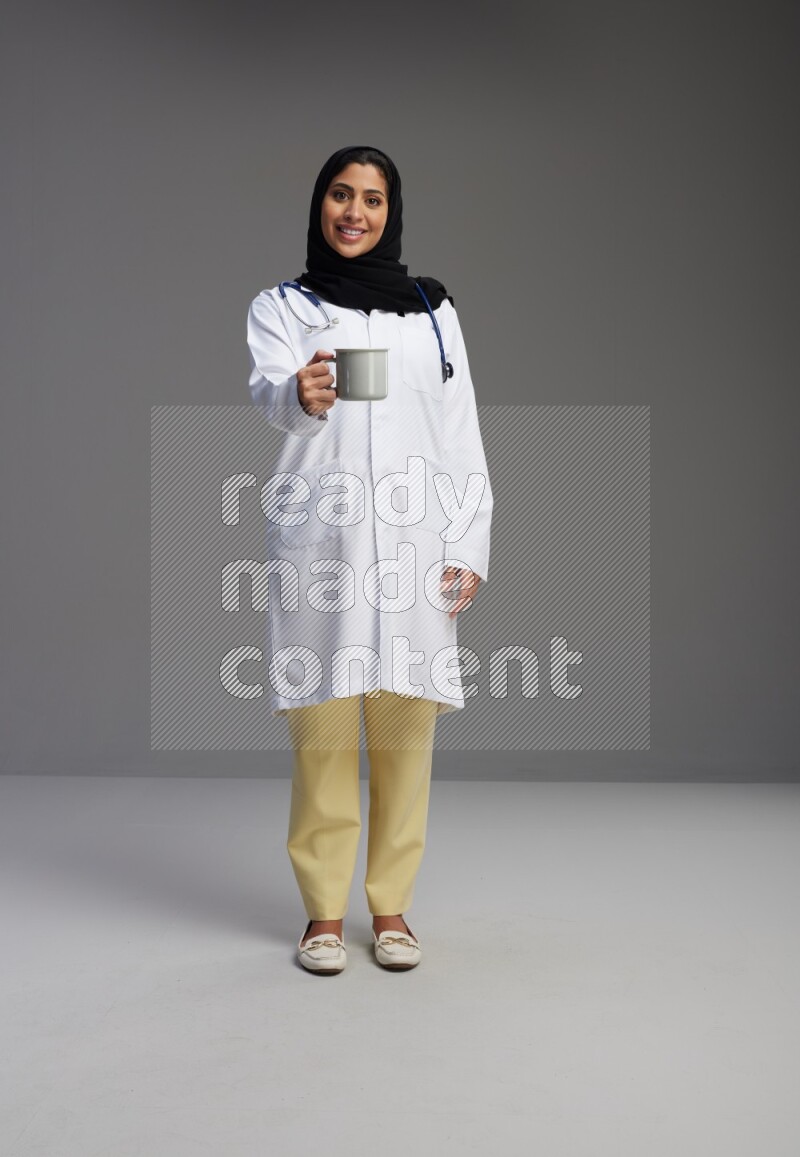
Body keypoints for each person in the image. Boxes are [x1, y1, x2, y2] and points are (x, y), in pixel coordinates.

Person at [246, 145, 492, 974]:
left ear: (392, 212)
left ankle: (390, 908)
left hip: (416, 543)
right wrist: (300, 396)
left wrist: (468, 541)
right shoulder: (283, 305)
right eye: (342, 196)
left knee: (403, 733)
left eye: (373, 199)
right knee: (321, 732)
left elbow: (459, 430)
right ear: (319, 205)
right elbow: (272, 394)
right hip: (326, 541)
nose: (356, 212)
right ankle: (322, 913)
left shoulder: (431, 310)